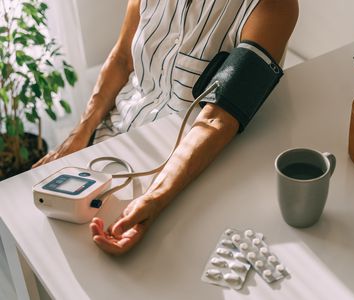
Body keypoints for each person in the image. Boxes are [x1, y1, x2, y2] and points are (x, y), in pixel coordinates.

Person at [33, 0, 298, 255]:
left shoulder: (273, 5)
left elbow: (218, 118)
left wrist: (155, 198)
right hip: (109, 139)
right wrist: (79, 134)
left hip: (174, 168)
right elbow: (123, 58)